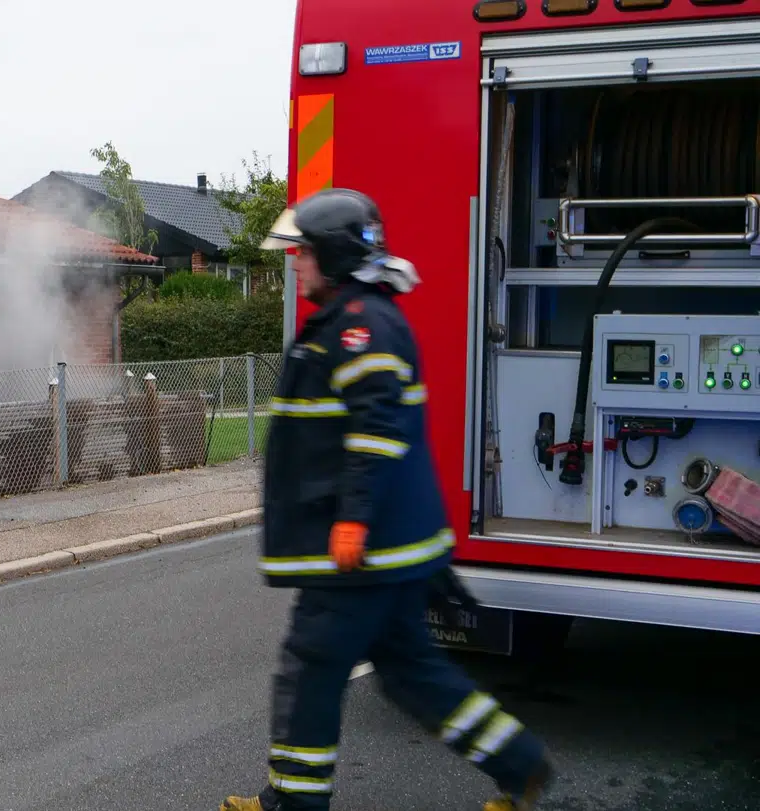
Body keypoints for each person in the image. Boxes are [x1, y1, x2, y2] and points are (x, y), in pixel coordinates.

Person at [220, 189, 554, 811]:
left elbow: (376, 432)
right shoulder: (363, 317)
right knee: (414, 674)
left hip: (358, 553)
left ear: (334, 255)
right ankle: (521, 763)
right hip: (390, 548)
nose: (295, 264)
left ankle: (291, 802)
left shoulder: (358, 327)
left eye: (303, 253)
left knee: (311, 668)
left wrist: (351, 520)